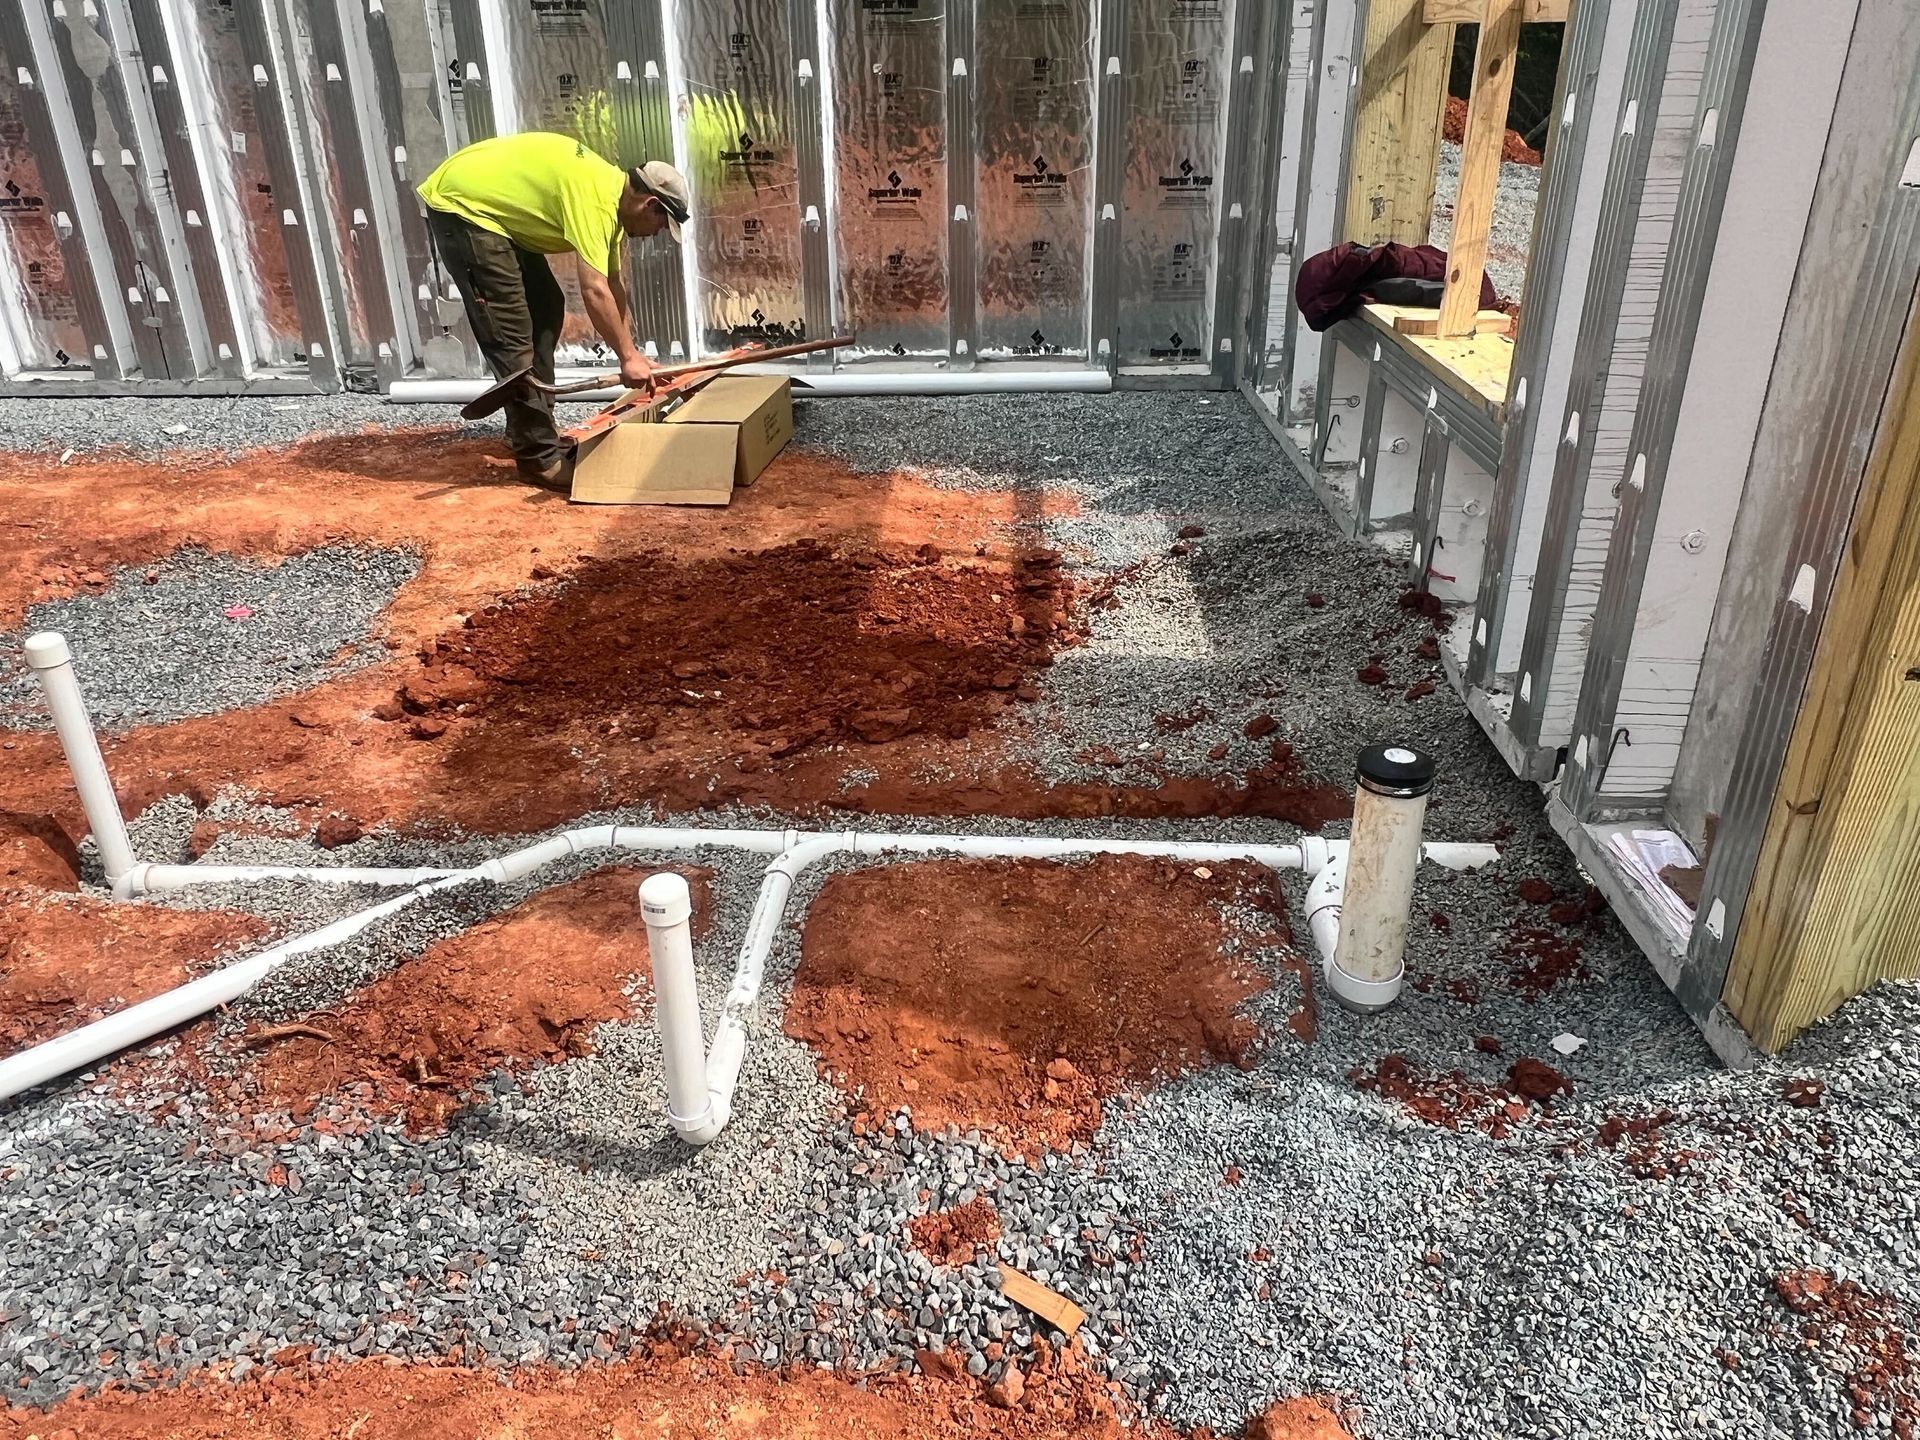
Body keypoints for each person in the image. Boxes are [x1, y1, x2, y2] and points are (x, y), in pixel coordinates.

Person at [418, 132, 690, 485]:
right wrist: (626, 358)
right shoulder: (596, 202)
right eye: (661, 225)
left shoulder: (611, 198)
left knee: (546, 306)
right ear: (650, 204)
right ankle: (539, 458)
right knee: (511, 331)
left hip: (497, 214)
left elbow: (613, 285)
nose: (656, 234)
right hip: (465, 209)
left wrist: (632, 353)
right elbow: (594, 290)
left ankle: (534, 427)